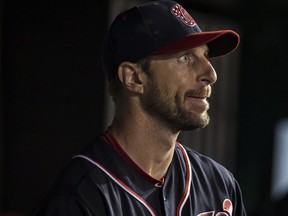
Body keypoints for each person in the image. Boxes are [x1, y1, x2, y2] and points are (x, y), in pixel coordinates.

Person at [31, 0, 246, 215]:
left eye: (205, 56)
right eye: (186, 58)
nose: (211, 75)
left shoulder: (220, 186)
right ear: (133, 78)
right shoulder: (80, 197)